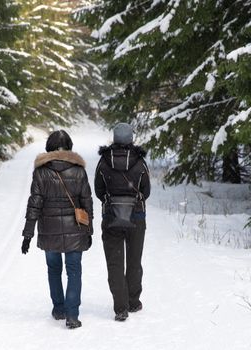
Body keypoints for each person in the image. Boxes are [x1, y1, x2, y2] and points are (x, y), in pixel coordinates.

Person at [21, 130, 93, 329]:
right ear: (69, 146)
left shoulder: (41, 171)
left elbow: (34, 203)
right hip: (75, 230)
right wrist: (89, 230)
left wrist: (28, 233)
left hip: (49, 230)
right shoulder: (79, 170)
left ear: (49, 147)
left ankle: (59, 308)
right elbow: (87, 202)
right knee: (74, 271)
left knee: (54, 270)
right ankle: (72, 315)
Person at [94, 123, 150, 322]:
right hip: (136, 217)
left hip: (111, 217)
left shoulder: (103, 162)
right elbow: (147, 192)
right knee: (134, 260)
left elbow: (99, 191)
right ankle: (133, 302)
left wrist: (113, 202)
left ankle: (120, 308)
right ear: (131, 139)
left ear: (114, 138)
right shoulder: (141, 162)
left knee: (115, 263)